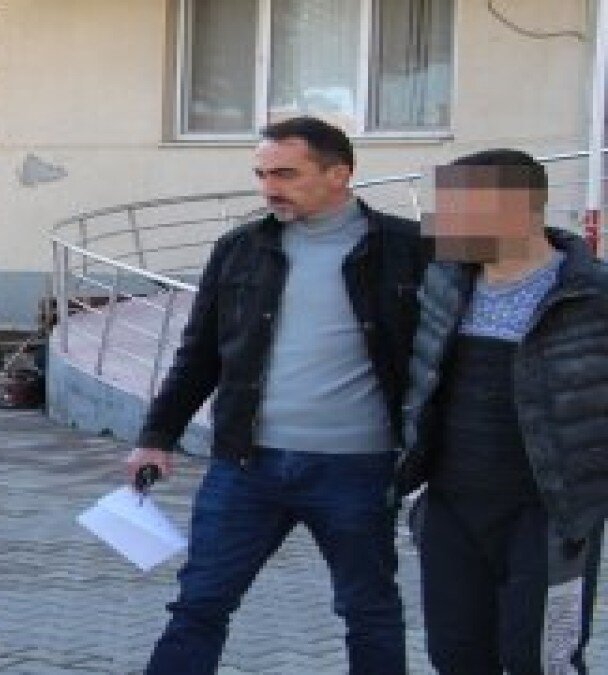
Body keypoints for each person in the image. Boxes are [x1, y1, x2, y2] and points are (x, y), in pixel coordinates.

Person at [126, 116, 428, 674]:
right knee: (199, 604)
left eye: (286, 174)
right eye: (262, 175)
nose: (269, 188)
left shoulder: (410, 248)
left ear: (339, 174)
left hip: (357, 467)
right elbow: (199, 353)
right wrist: (156, 436)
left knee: (369, 610)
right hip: (246, 466)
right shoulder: (240, 248)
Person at [394, 149, 608, 674]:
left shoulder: (591, 295)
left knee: (541, 659)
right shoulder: (443, 285)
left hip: (552, 514)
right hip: (452, 505)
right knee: (456, 654)